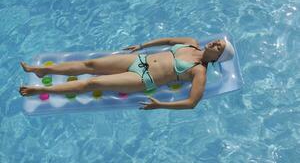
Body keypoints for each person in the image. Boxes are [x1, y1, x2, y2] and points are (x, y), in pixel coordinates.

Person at [19, 37, 235, 110]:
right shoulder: (191, 43)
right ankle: (42, 70)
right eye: (218, 41)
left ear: (217, 58)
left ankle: (39, 90)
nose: (215, 42)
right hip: (139, 60)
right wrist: (142, 45)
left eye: (219, 47)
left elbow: (191, 103)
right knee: (91, 63)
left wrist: (161, 105)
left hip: (143, 79)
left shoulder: (199, 72)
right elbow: (169, 41)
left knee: (93, 83)